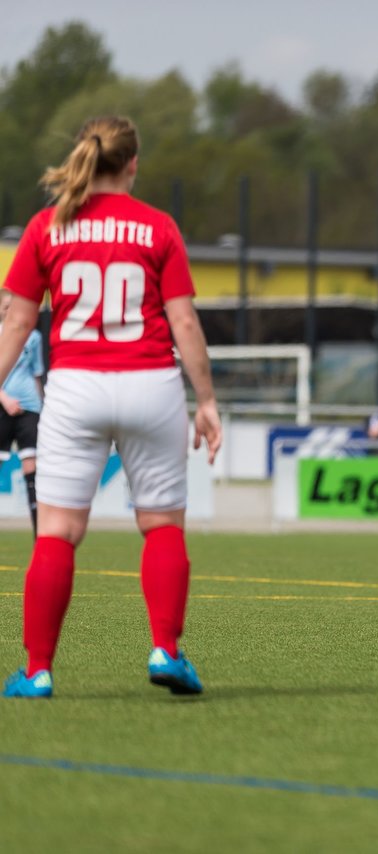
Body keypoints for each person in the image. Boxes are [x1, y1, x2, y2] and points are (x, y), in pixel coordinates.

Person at [0, 116, 222, 699]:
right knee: (161, 525)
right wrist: (207, 401)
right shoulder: (159, 228)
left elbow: (19, 321)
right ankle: (166, 651)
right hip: (151, 384)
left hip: (75, 390)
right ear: (133, 163)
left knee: (57, 532)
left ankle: (38, 670)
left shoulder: (48, 226)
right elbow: (183, 322)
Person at [0, 290, 44, 534]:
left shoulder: (33, 337)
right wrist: (5, 399)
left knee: (32, 468)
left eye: (13, 306)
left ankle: (40, 534)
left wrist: (42, 405)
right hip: (3, 405)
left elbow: (36, 374)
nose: (10, 310)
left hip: (29, 408)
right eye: (6, 306)